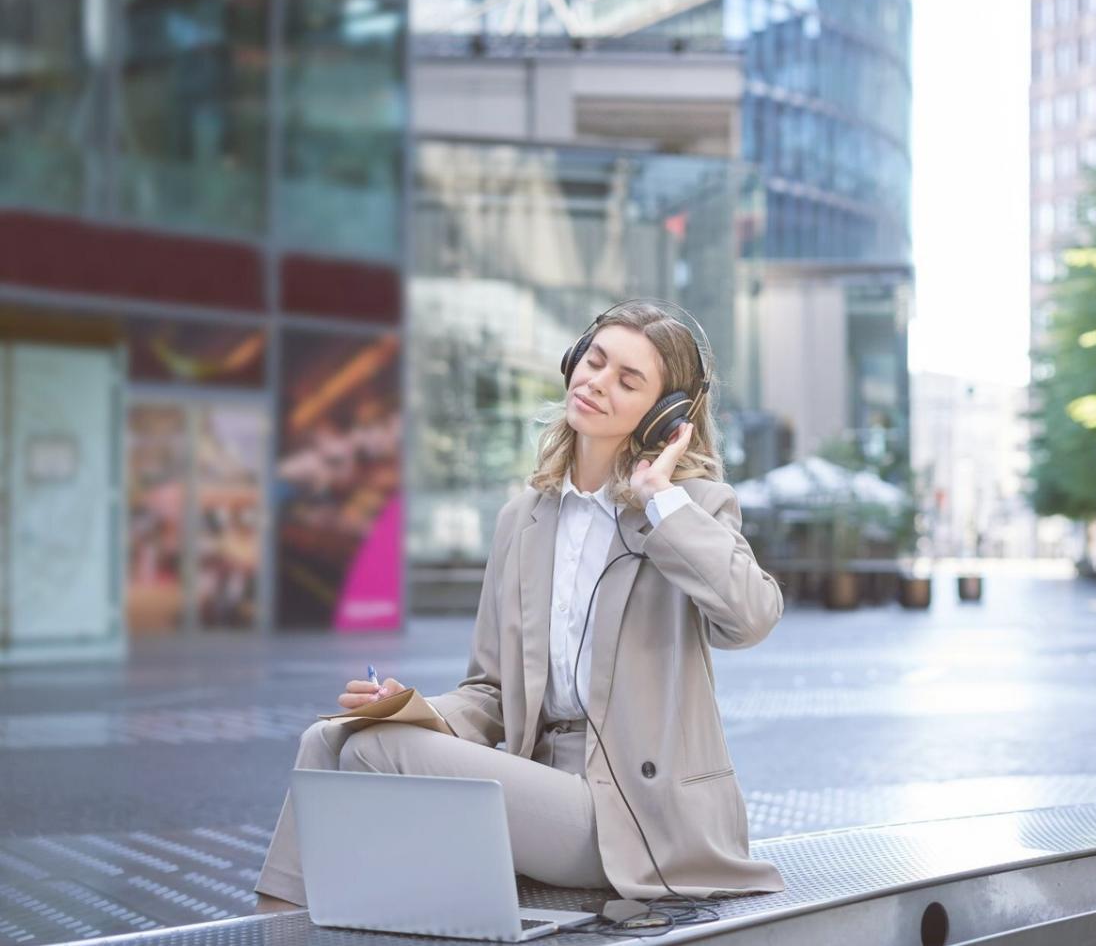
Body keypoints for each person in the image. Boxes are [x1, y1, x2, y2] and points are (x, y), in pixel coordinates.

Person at [254, 300, 786, 912]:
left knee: (375, 752)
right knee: (331, 739)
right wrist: (411, 708)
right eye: (595, 361)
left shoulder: (690, 508)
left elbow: (751, 617)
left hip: (642, 815)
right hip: (546, 789)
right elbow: (489, 692)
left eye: (628, 380)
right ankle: (276, 924)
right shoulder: (523, 520)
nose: (597, 383)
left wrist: (660, 501)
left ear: (665, 415)